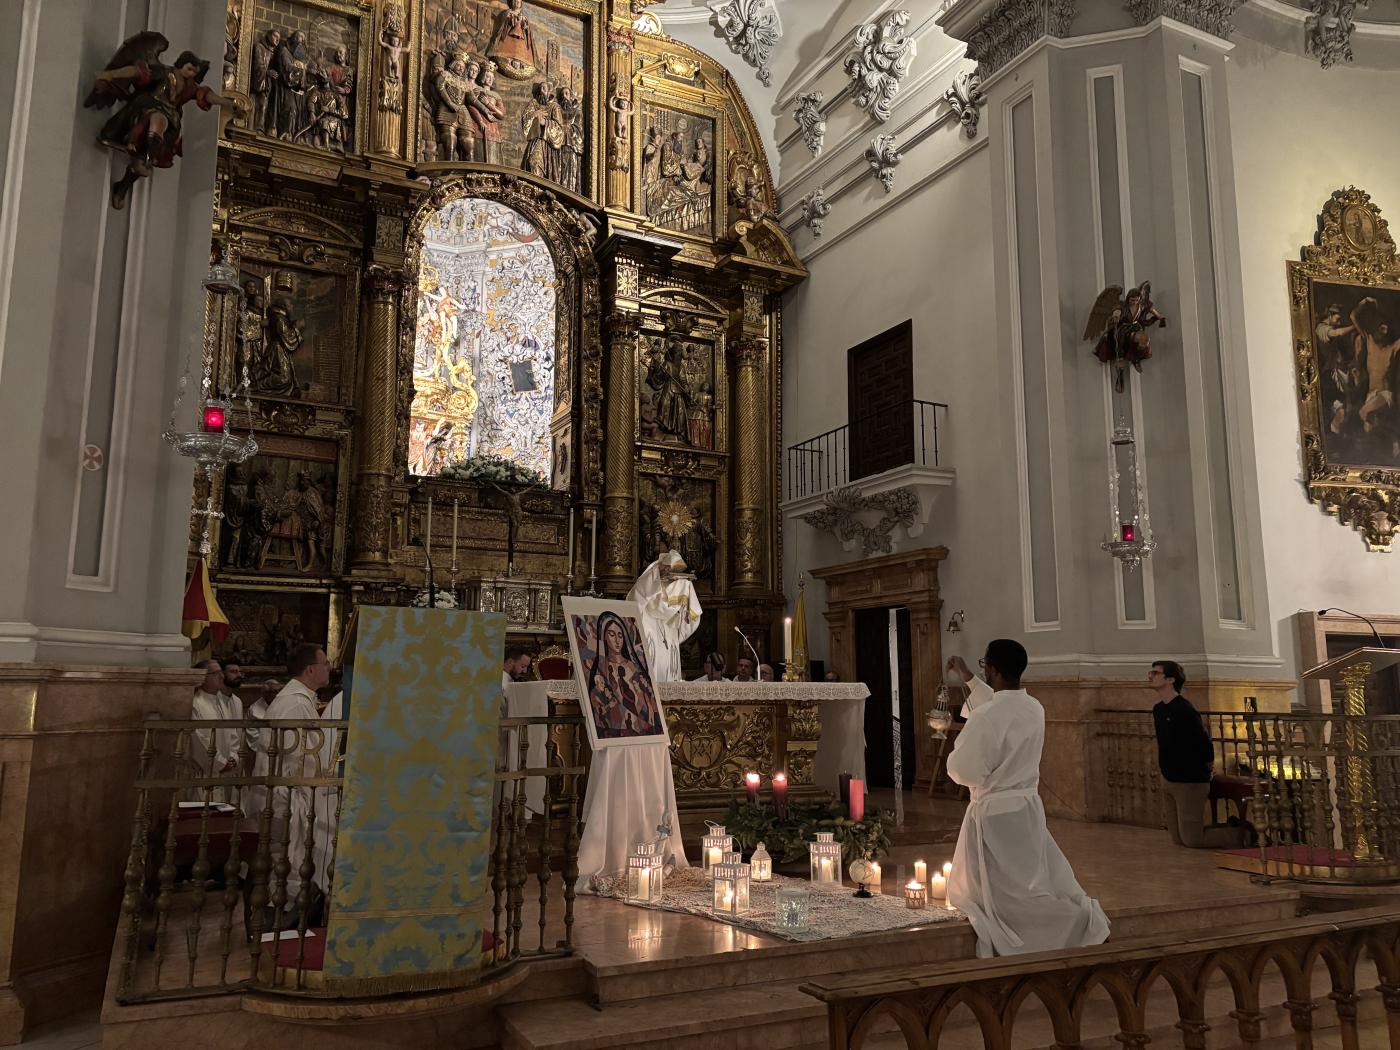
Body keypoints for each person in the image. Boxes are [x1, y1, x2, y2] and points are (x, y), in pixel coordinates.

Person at [945, 644, 1110, 958]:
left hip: (994, 812)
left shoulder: (986, 716)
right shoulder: (1034, 707)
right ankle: (1073, 923)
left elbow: (964, 769)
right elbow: (1002, 710)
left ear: (992, 669)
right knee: (1030, 878)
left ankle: (1046, 932)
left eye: (985, 665)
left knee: (1005, 892)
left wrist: (957, 760)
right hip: (1027, 806)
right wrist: (968, 678)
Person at [253, 644, 332, 920]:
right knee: (288, 862)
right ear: (310, 670)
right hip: (286, 797)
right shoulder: (295, 703)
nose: (329, 668)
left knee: (287, 860)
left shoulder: (298, 698)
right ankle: (281, 923)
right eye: (325, 663)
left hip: (287, 793)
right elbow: (299, 757)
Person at [1150, 660, 1245, 849]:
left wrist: (1208, 766)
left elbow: (1203, 742)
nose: (1150, 676)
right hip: (1169, 776)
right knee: (1178, 838)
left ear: (1170, 679)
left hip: (1189, 780)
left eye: (1155, 673)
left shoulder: (1184, 709)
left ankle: (1243, 834)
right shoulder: (1159, 709)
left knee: (1193, 839)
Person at [190, 659, 239, 802]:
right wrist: (220, 763)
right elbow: (198, 740)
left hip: (226, 771)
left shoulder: (221, 701)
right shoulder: (195, 703)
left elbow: (233, 733)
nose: (222, 676)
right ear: (202, 677)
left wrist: (233, 757)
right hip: (206, 773)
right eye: (216, 673)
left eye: (221, 672)